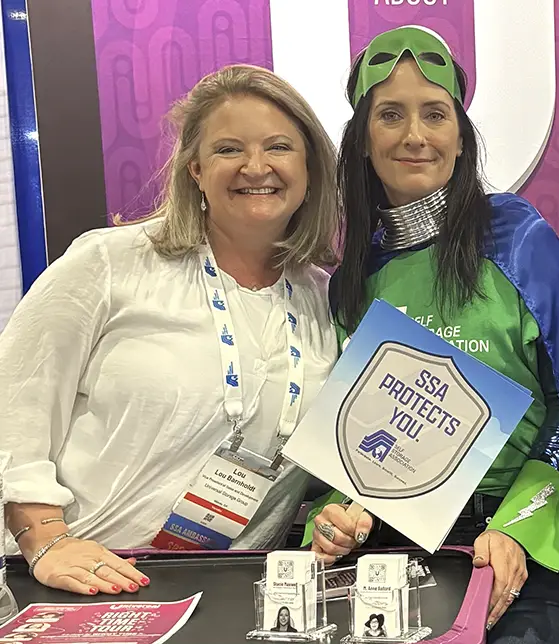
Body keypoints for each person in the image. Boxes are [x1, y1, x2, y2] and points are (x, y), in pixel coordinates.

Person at [306, 26, 559, 644]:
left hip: (517, 548)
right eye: (391, 114)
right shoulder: (354, 273)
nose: (415, 135)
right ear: (363, 139)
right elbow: (351, 431)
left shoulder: (518, 239)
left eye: (435, 113)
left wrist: (518, 529)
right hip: (393, 545)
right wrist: (335, 511)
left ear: (461, 135)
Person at [0, 65, 340, 595]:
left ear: (311, 168)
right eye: (229, 149)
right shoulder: (109, 263)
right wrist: (45, 539)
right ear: (195, 169)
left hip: (228, 598)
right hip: (75, 579)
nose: (256, 166)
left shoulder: (325, 301)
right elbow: (14, 403)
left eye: (279, 147)